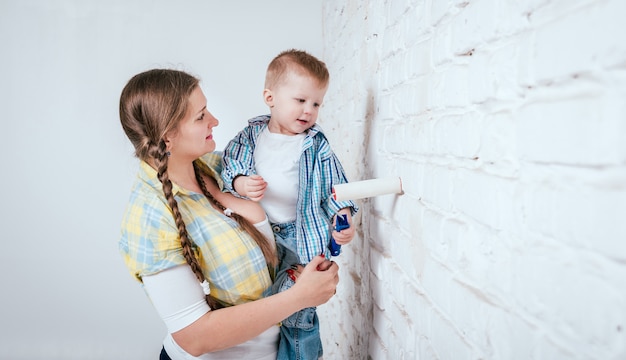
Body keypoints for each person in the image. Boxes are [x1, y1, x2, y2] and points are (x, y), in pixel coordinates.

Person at [118, 68, 339, 360]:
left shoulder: (217, 166)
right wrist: (300, 297)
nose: (215, 121)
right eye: (200, 116)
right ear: (167, 137)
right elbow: (194, 337)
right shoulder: (149, 217)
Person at [221, 49, 359, 360]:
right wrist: (240, 182)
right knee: (265, 303)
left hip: (303, 238)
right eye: (300, 100)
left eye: (316, 103)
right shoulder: (252, 135)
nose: (309, 110)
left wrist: (344, 216)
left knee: (299, 312)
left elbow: (335, 188)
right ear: (270, 97)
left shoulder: (315, 144)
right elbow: (230, 163)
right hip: (259, 236)